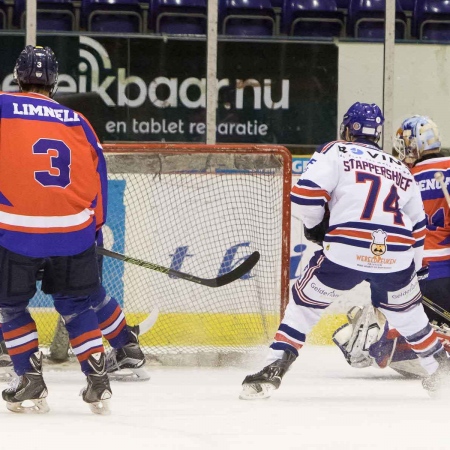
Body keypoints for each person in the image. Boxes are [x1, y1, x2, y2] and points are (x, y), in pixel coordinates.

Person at [239, 102, 450, 400]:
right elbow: (417, 228)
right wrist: (414, 271)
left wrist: (317, 228)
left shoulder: (335, 150)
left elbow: (305, 196)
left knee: (304, 304)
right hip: (397, 253)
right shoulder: (399, 168)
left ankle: (274, 367)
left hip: (347, 248)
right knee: (409, 315)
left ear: (347, 128)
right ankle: (443, 372)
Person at [0, 45, 145, 415]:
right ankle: (98, 380)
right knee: (77, 303)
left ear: (17, 77)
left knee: (10, 305)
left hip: (15, 228)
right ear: (54, 81)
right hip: (73, 229)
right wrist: (90, 232)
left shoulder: (1, 105)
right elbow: (99, 175)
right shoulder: (77, 120)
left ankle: (29, 378)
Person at [332, 115, 450, 378]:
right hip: (446, 276)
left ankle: (390, 342)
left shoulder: (399, 176)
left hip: (419, 277)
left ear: (411, 145)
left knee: (386, 330)